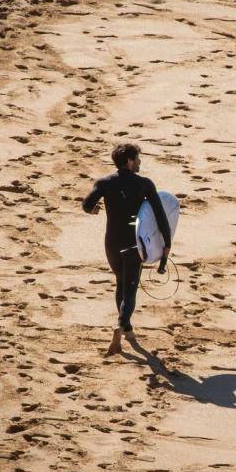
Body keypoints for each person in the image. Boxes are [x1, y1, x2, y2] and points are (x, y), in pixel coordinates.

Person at [82, 143, 171, 356]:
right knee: (129, 290)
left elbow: (86, 205)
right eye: (137, 159)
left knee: (120, 283)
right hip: (134, 244)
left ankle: (128, 330)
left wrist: (93, 210)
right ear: (130, 161)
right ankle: (121, 327)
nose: (139, 162)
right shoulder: (145, 184)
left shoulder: (104, 182)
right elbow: (160, 216)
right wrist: (166, 245)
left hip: (112, 243)